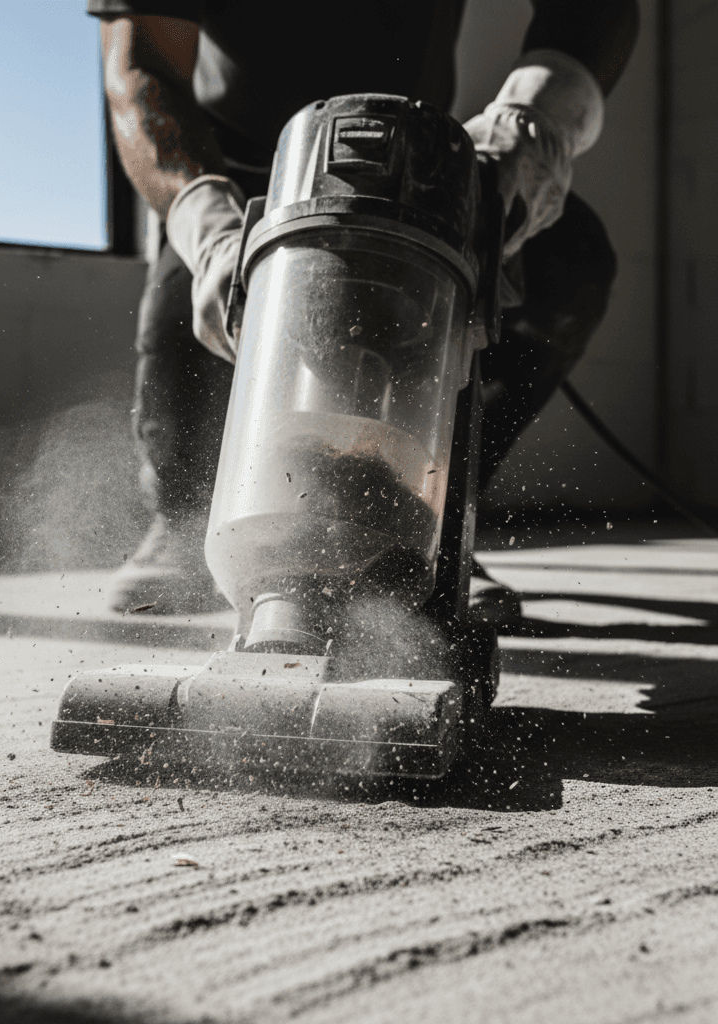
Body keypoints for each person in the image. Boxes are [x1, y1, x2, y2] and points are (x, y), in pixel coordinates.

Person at [88, 0, 639, 622]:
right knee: (185, 302)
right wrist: (202, 216)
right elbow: (143, 66)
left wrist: (534, 121)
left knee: (567, 260)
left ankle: (432, 520)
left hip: (415, 162)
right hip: (234, 166)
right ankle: (188, 518)